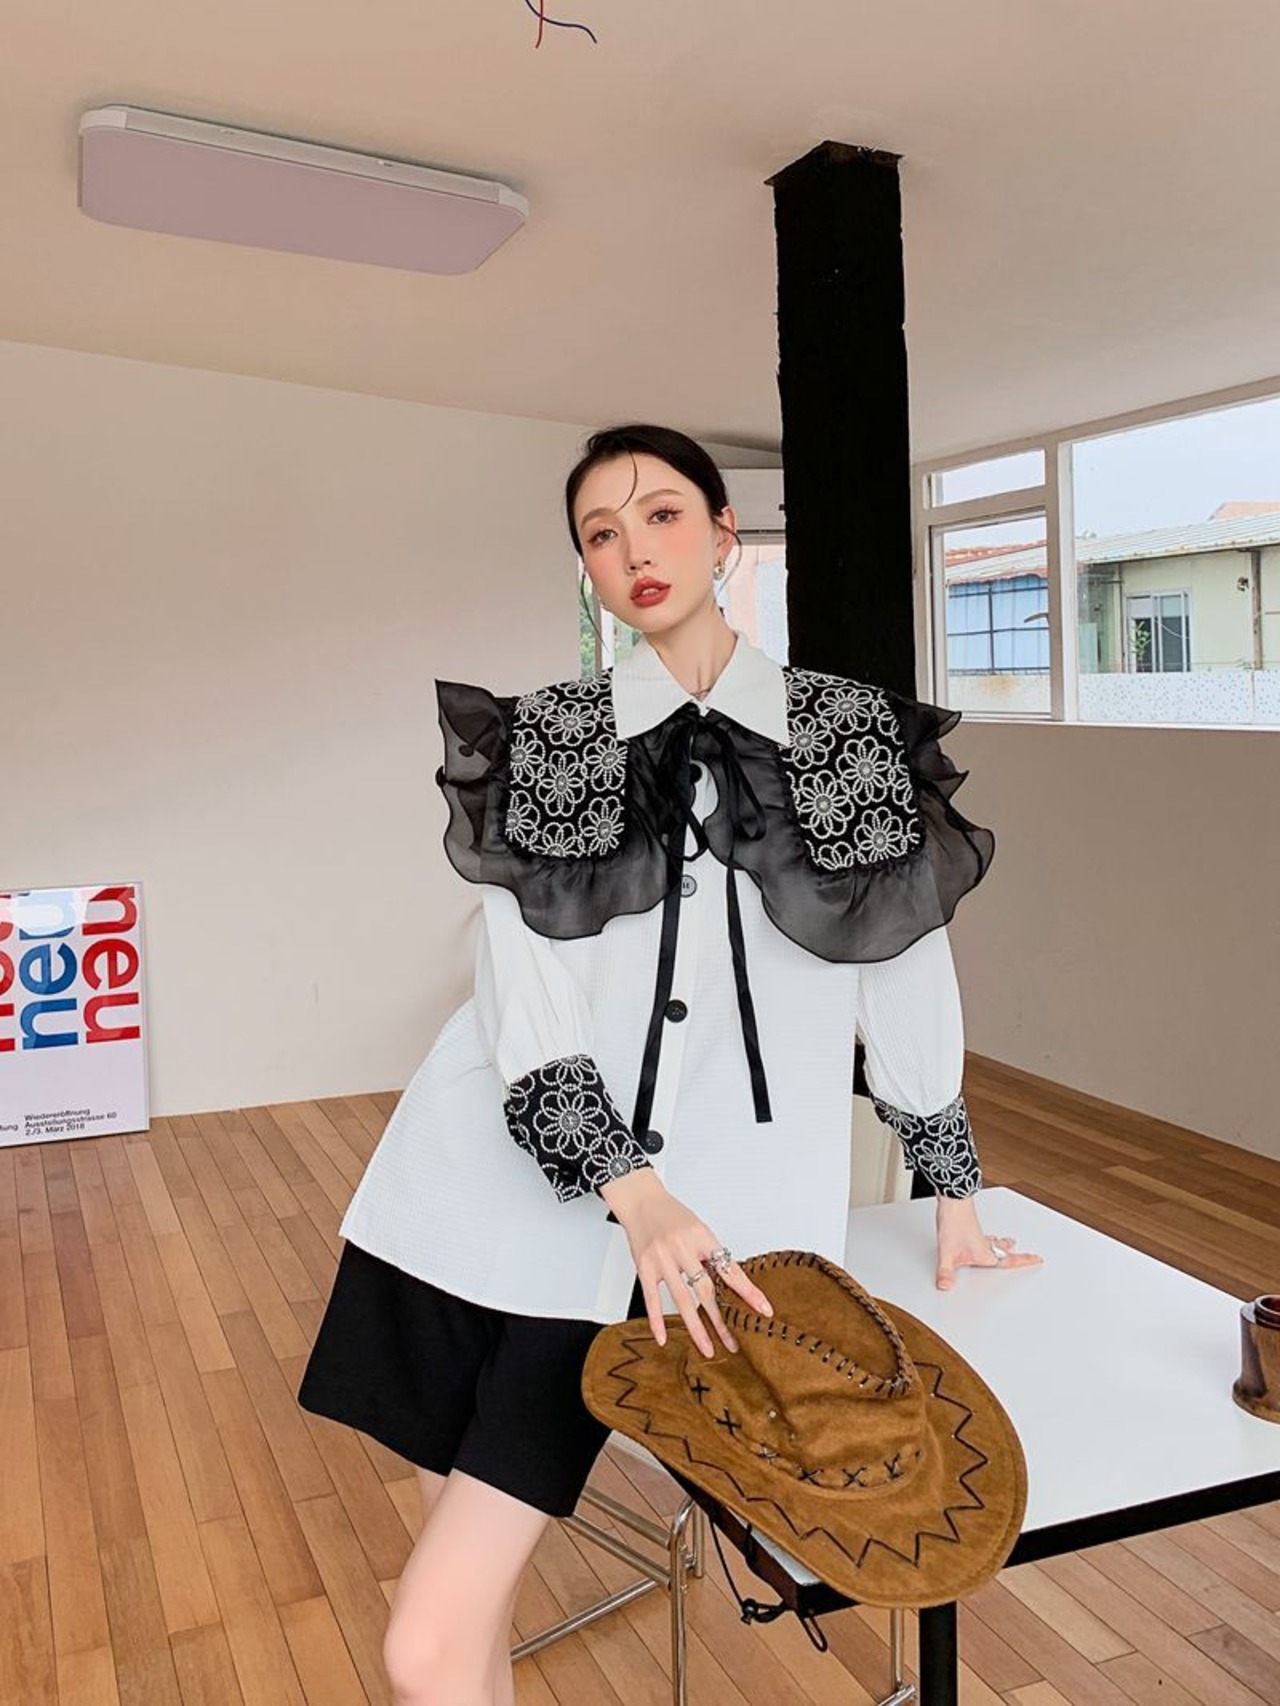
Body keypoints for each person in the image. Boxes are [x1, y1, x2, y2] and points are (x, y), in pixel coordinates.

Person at [297, 423, 1042, 1706]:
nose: (631, 548)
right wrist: (630, 1188)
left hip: (670, 1241)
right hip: (474, 1189)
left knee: (426, 1637)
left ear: (720, 533)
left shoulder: (842, 734)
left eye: (659, 514)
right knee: (456, 1618)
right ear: (585, 569)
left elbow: (902, 958)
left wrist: (949, 1183)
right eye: (599, 532)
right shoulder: (558, 735)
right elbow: (519, 985)